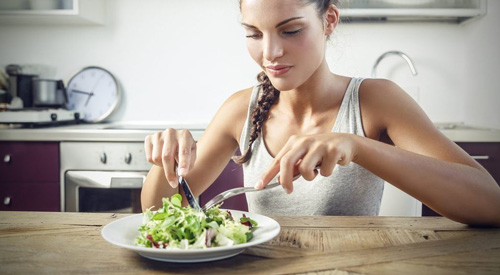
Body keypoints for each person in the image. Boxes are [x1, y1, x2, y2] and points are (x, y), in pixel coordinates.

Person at [141, 0, 500, 226]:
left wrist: (358, 146)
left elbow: (490, 204)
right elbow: (156, 210)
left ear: (329, 20)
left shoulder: (376, 100)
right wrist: (166, 162)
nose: (270, 53)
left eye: (291, 30)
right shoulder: (241, 110)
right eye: (253, 34)